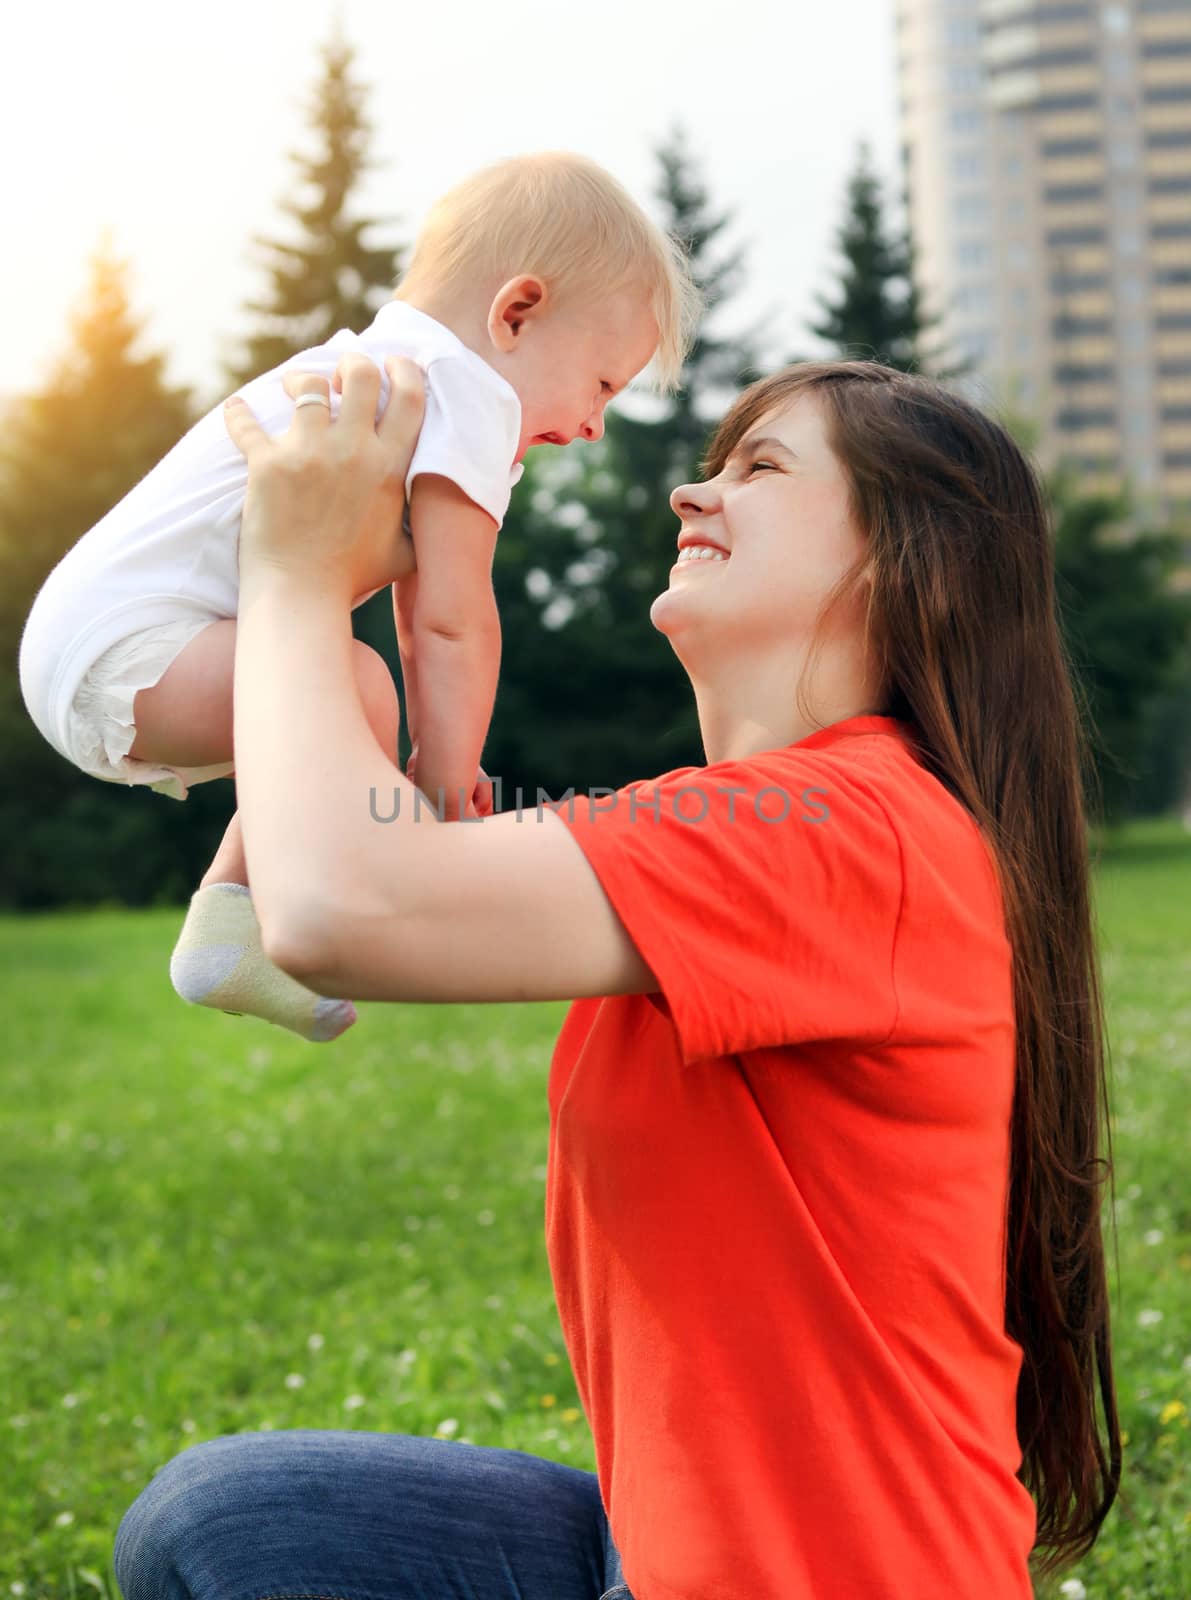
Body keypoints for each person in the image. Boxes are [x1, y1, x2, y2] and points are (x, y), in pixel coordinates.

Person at [111, 353, 1122, 1599]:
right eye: (709, 466)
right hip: (660, 1544)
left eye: (760, 467)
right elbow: (376, 860)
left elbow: (334, 907)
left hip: (826, 1576)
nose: (693, 498)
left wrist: (296, 575)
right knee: (223, 1522)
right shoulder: (758, 825)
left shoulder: (854, 828)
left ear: (905, 561)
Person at [17, 150, 690, 1042]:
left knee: (341, 686)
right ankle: (268, 913)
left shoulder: (392, 366)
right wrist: (448, 783)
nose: (596, 422)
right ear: (516, 313)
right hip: (132, 650)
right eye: (602, 382)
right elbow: (450, 621)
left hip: (83, 643)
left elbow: (426, 613)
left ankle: (230, 926)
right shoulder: (464, 388)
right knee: (355, 688)